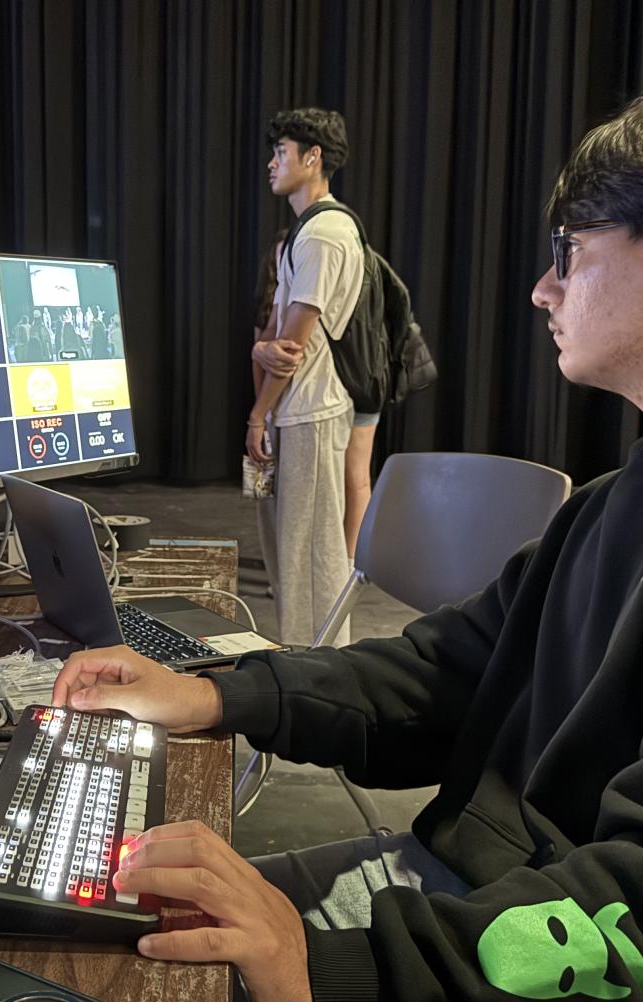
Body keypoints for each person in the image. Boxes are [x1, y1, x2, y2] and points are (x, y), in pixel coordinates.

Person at [54, 88, 643, 1002]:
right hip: (495, 905)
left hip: (550, 965)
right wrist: (221, 695)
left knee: (93, 983)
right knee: (80, 935)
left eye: (570, 251)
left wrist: (331, 974)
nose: (545, 289)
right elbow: (453, 669)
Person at [249, 108, 361, 646]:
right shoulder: (306, 231)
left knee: (313, 553)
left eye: (282, 153)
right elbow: (274, 335)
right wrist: (264, 354)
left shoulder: (325, 233)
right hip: (297, 408)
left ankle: (320, 667)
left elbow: (290, 347)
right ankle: (304, 661)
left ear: (312, 157)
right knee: (295, 552)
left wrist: (257, 414)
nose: (272, 164)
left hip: (313, 409)